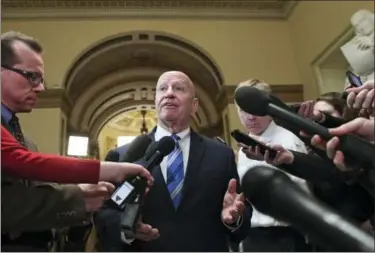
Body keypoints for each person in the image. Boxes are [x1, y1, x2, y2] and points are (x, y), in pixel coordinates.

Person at [95, 71, 250, 252]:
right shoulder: (123, 157)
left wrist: (234, 220)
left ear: (194, 105)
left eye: (178, 88)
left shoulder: (221, 155)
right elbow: (103, 215)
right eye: (163, 89)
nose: (169, 93)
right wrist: (127, 228)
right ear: (156, 102)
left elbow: (240, 212)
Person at [235, 79, 311, 252]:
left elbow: (300, 196)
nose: (250, 117)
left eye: (254, 111)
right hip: (253, 236)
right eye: (243, 110)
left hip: (284, 236)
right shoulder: (245, 145)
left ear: (269, 108)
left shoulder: (289, 140)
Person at [1, 125, 153, 184]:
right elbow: (22, 161)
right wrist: (109, 171)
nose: (41, 88)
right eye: (31, 76)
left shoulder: (27, 141)